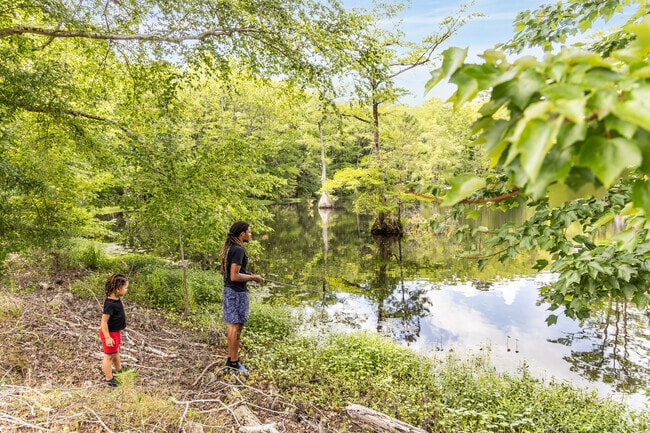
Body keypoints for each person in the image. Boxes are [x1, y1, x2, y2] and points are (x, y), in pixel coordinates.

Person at [220, 221, 264, 374]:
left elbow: (236, 272)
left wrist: (248, 275)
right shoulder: (238, 249)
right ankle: (234, 363)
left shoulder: (230, 248)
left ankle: (231, 361)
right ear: (242, 234)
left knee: (233, 326)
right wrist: (254, 278)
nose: (250, 234)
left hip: (229, 291)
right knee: (236, 327)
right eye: (249, 232)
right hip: (237, 293)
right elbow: (234, 275)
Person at [99, 273, 129, 387]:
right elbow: (104, 322)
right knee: (109, 356)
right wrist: (107, 337)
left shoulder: (116, 299)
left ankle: (119, 370)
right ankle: (109, 379)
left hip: (115, 332)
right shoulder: (110, 304)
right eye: (125, 288)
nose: (126, 290)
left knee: (115, 352)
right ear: (117, 289)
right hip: (109, 333)